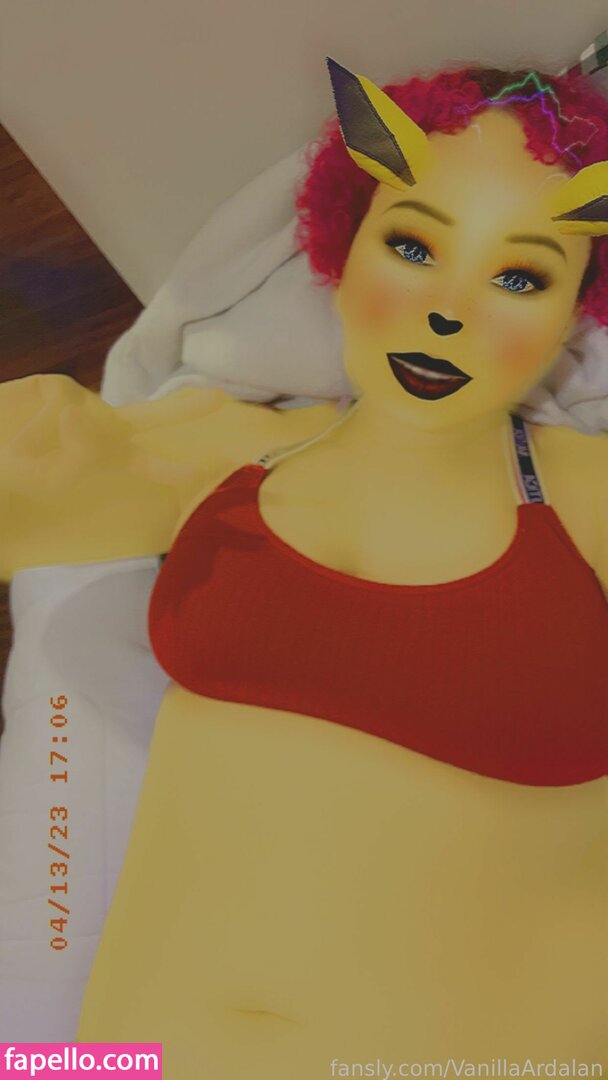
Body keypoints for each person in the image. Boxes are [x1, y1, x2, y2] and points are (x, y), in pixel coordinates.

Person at [1, 57, 607, 1077]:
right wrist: (40, 444)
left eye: (518, 276)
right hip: (141, 1055)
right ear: (344, 242)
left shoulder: (591, 500)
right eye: (412, 244)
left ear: (572, 308)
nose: (448, 309)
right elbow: (34, 506)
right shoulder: (215, 446)